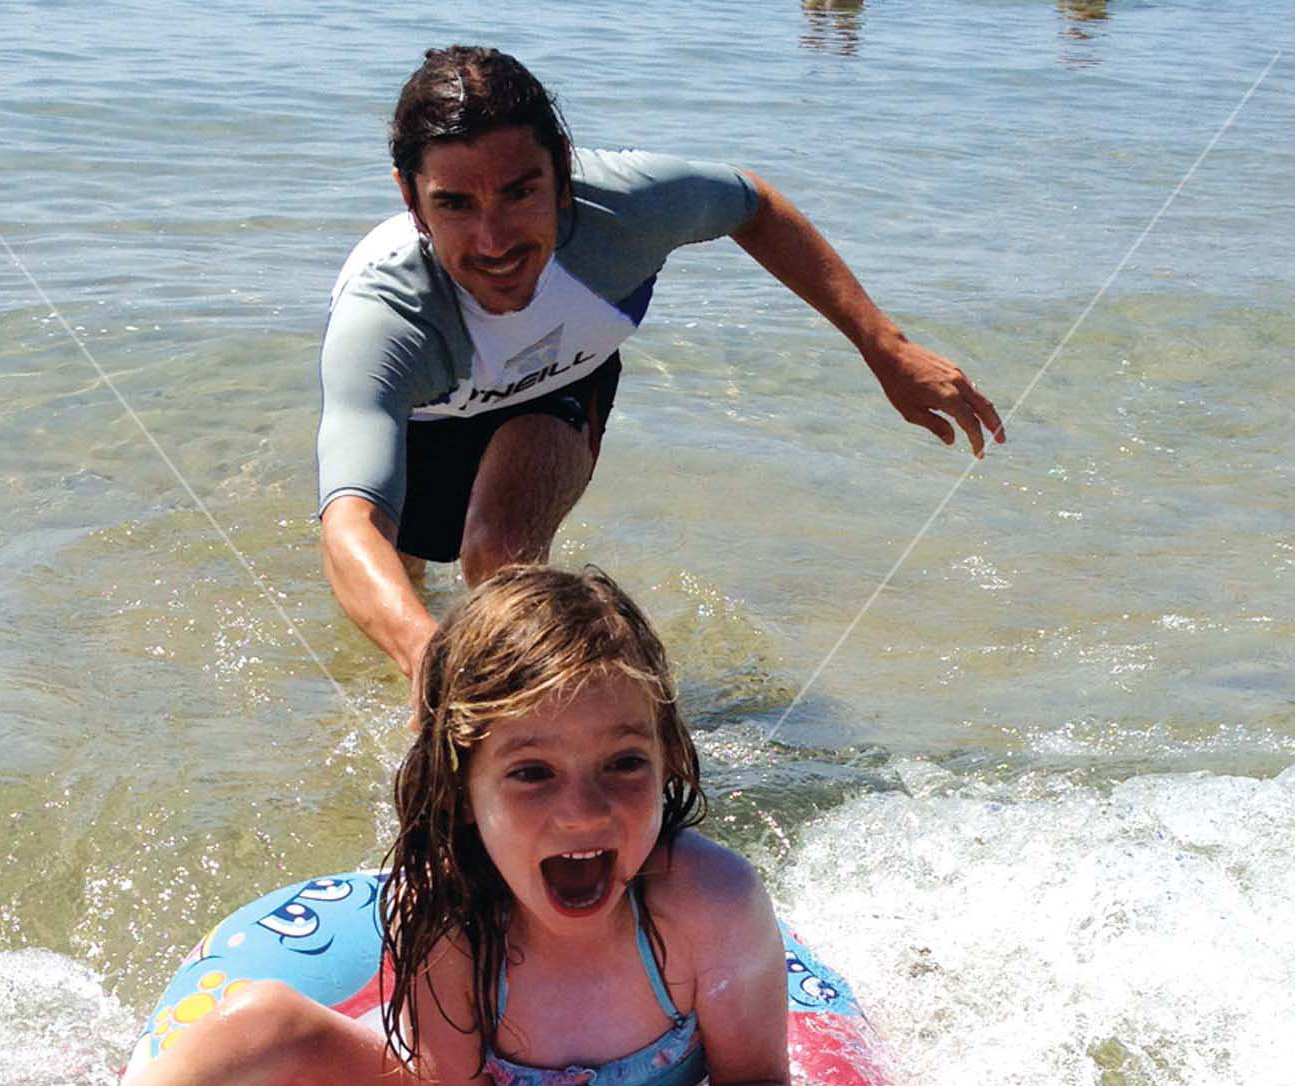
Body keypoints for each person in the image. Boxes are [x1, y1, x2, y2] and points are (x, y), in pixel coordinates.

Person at [0, 566, 1100, 1086]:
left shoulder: (709, 906)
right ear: (462, 784)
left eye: (623, 763)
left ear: (672, 762)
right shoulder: (447, 930)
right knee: (257, 1029)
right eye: (532, 773)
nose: (587, 809)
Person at [317, 45, 1007, 701]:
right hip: (426, 427)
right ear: (410, 198)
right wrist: (420, 652)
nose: (495, 241)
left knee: (499, 563)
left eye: (520, 192)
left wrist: (882, 345)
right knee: (406, 602)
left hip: (559, 386)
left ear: (561, 170)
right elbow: (352, 519)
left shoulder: (629, 209)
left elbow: (754, 206)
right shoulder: (386, 318)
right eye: (455, 205)